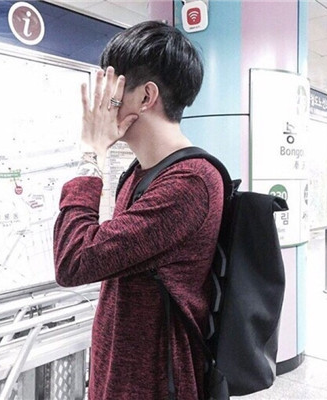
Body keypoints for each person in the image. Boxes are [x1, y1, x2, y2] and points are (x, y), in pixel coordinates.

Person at [53, 21, 223, 400]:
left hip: (153, 385)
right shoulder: (140, 173)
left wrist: (90, 155)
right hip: (120, 377)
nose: (101, 104)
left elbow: (73, 260)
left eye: (111, 90)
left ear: (146, 96)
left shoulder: (191, 182)